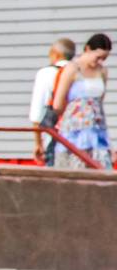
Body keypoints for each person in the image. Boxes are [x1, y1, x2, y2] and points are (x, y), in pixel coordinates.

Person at [45, 33, 111, 171]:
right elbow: (58, 102)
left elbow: (100, 101)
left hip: (96, 128)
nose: (99, 61)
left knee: (100, 168)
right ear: (87, 49)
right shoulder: (72, 69)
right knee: (76, 167)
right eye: (98, 57)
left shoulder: (103, 71)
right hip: (74, 127)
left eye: (104, 58)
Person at [31, 37, 76, 165]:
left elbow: (36, 114)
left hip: (55, 137)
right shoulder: (80, 72)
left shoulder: (45, 73)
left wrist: (38, 144)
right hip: (79, 138)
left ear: (55, 54)